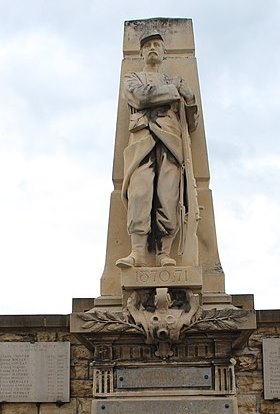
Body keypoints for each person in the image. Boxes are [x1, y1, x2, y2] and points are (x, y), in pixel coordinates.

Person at [116, 30, 199, 268]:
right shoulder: (133, 78)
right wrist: (174, 92)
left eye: (157, 44)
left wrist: (190, 99)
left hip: (171, 143)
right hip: (142, 140)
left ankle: (164, 253)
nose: (152, 48)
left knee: (169, 196)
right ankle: (138, 253)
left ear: (164, 53)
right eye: (148, 45)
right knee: (139, 194)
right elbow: (139, 98)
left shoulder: (176, 83)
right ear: (141, 52)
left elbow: (191, 123)